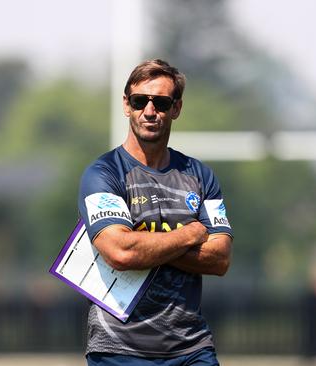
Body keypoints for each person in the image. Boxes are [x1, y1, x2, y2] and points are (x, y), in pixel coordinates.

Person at [77, 59, 233, 366]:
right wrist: (189, 234)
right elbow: (121, 253)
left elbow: (220, 259)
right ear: (127, 105)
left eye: (161, 103)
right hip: (118, 351)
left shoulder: (200, 176)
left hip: (192, 349)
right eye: (140, 101)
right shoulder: (103, 174)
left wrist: (143, 242)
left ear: (176, 108)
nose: (150, 111)